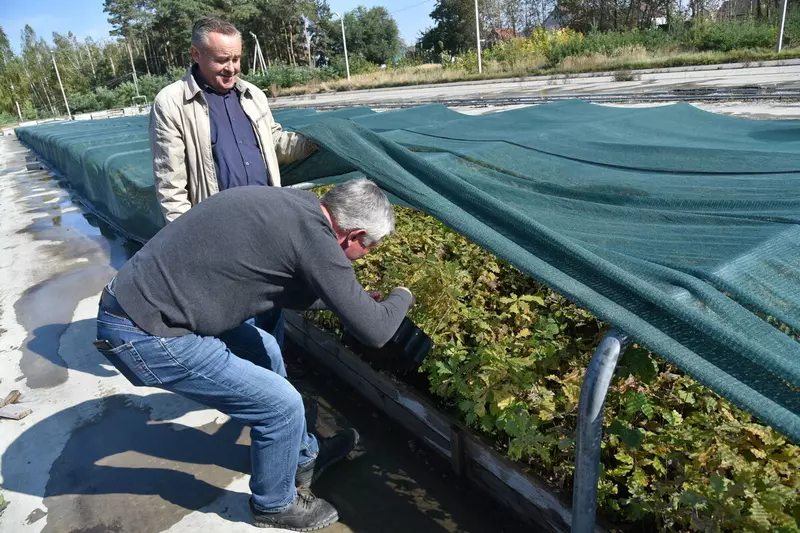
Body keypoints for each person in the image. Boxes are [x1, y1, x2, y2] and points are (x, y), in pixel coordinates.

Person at [94, 179, 414, 531]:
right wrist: (402, 295)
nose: (368, 254)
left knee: (267, 352)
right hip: (147, 333)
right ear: (353, 236)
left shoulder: (294, 208)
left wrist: (352, 300)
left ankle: (302, 458)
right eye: (370, 247)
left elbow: (280, 288)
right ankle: (274, 504)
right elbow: (376, 331)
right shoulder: (316, 238)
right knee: (281, 406)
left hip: (142, 304)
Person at [149, 16, 315, 344]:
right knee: (238, 321)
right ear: (195, 54)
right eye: (222, 60)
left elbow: (276, 143)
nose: (232, 68)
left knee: (271, 311)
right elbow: (170, 185)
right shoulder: (172, 103)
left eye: (237, 58)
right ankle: (253, 381)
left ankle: (273, 375)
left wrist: (320, 139)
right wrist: (192, 246)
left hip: (269, 227)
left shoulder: (251, 95)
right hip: (222, 236)